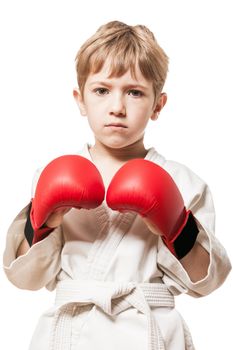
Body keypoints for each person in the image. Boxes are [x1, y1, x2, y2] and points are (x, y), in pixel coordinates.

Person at [3, 20, 231, 350]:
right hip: (71, 332)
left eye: (134, 92)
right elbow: (25, 277)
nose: (117, 107)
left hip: (148, 329)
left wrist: (175, 227)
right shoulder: (51, 175)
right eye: (101, 90)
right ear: (80, 100)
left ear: (158, 105)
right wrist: (43, 223)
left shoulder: (181, 182)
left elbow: (204, 283)